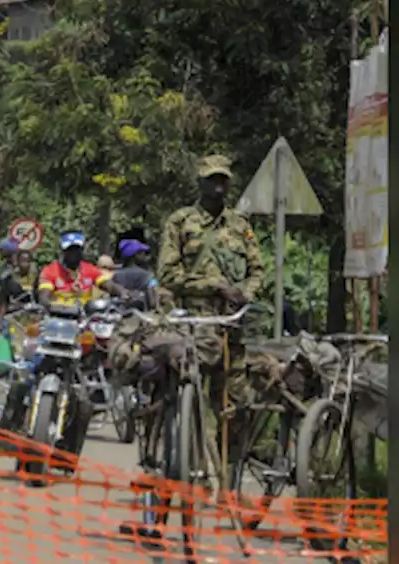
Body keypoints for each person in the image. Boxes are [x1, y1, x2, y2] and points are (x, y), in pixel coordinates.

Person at [118, 155, 266, 543]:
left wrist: (243, 296)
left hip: (232, 330)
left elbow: (257, 271)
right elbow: (168, 274)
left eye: (223, 181)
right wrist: (213, 287)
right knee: (176, 406)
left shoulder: (241, 226)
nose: (218, 187)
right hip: (190, 325)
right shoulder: (181, 221)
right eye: (211, 181)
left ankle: (228, 488)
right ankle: (163, 496)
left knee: (236, 410)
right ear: (200, 184)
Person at [37, 232, 125, 309]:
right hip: (59, 317)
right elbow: (43, 297)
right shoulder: (50, 270)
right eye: (70, 250)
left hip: (84, 318)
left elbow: (108, 285)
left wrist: (123, 292)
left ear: (82, 250)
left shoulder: (90, 269)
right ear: (63, 251)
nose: (73, 253)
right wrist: (48, 305)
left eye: (76, 249)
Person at [111, 239, 159, 311]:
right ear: (136, 255)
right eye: (143, 253)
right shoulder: (148, 276)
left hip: (122, 316)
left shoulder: (116, 275)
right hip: (142, 317)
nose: (145, 256)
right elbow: (152, 302)